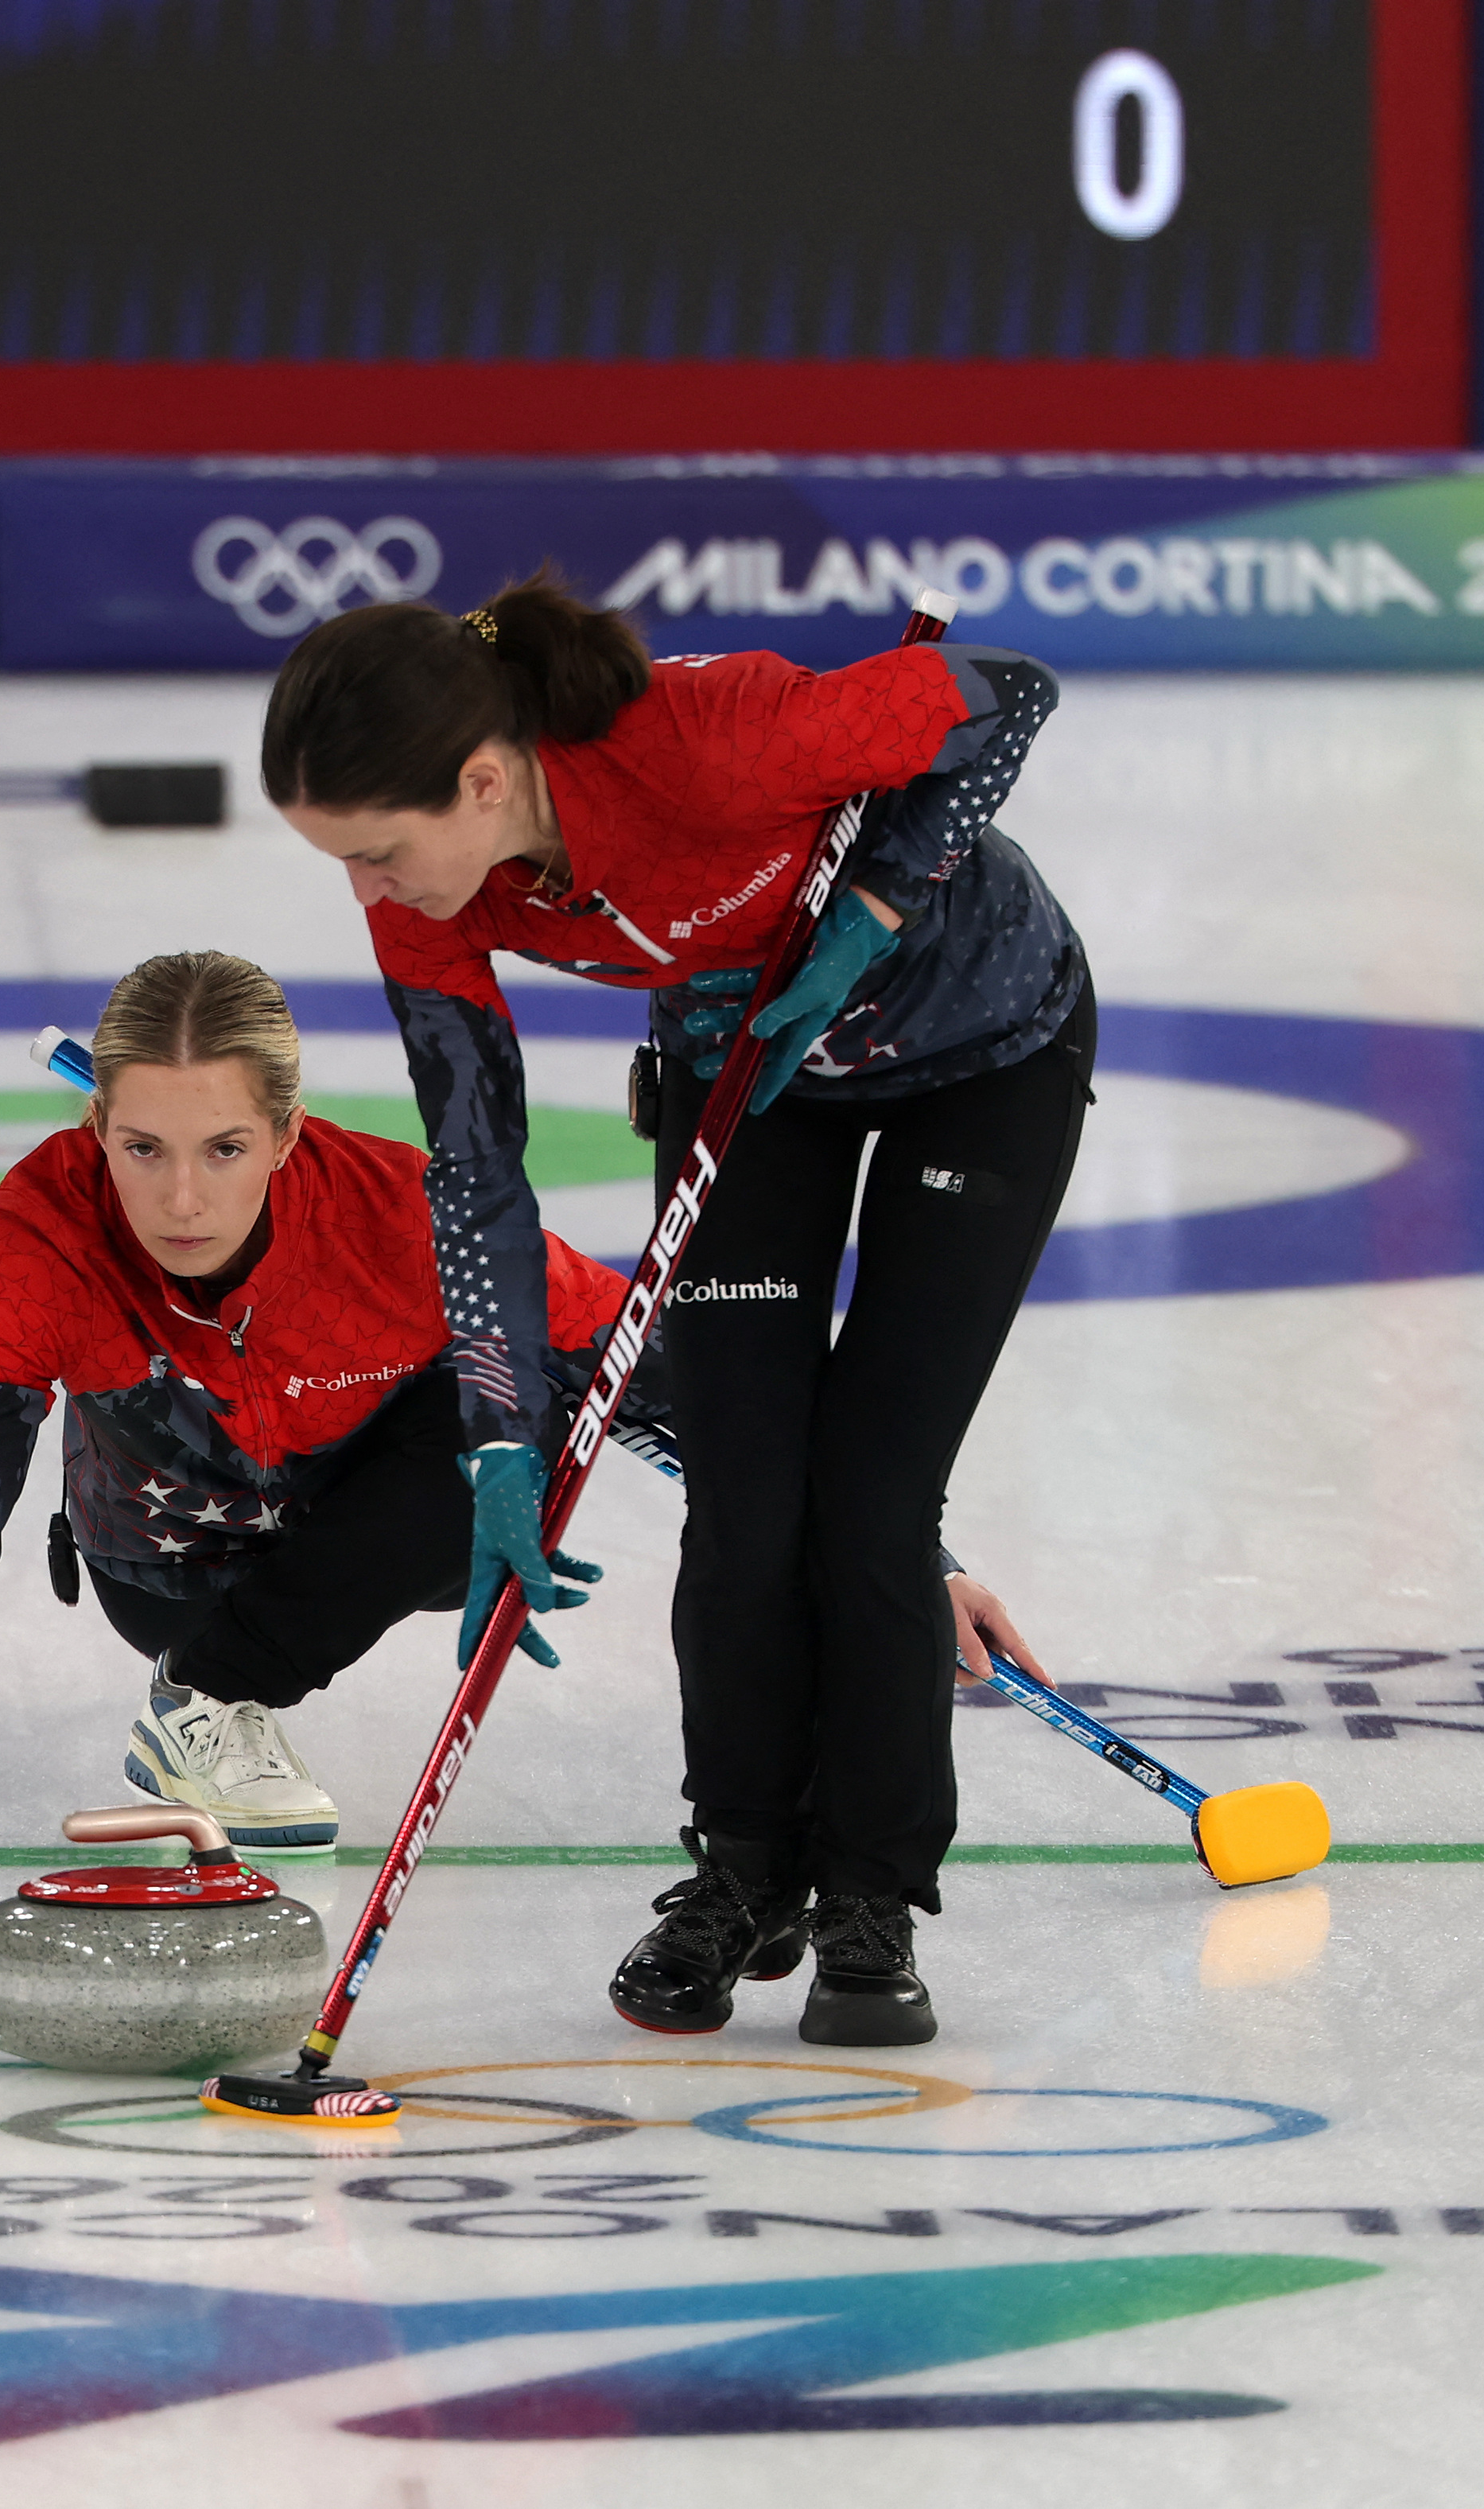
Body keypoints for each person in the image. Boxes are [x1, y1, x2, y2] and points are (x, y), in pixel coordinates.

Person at [259, 572, 1083, 2046]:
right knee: (746, 1484)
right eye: (346, 863)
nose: (372, 891)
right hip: (751, 1060)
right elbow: (472, 1163)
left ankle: (871, 1892)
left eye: (381, 851)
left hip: (981, 1048)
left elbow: (1005, 692)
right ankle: (744, 1868)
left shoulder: (710, 738)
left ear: (484, 775)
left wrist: (876, 905)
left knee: (871, 1489)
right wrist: (499, 1434)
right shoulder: (434, 890)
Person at [0, 950, 672, 1943]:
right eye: (142, 1149)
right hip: (166, 1568)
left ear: (287, 1136)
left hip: (380, 1523)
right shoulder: (39, 1238)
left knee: (513, 1403)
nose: (182, 1200)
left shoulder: (397, 1210)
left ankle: (218, 1687)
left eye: (223, 1149)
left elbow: (638, 1363)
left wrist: (816, 1509)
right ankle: (202, 1692)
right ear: (93, 1126)